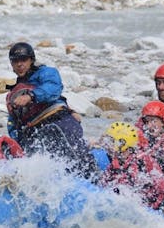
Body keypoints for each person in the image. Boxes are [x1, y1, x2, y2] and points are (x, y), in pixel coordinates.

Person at [5, 42, 97, 179]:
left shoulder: (46, 73)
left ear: (31, 60)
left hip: (58, 120)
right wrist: (17, 146)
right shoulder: (12, 94)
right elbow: (13, 123)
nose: (20, 64)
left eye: (23, 60)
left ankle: (94, 180)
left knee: (78, 158)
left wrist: (31, 96)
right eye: (15, 61)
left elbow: (53, 88)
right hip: (37, 132)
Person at [98, 121, 164, 210]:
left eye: (111, 141)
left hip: (148, 206)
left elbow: (160, 188)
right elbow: (103, 183)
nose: (107, 145)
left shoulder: (140, 162)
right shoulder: (116, 162)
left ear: (123, 144)